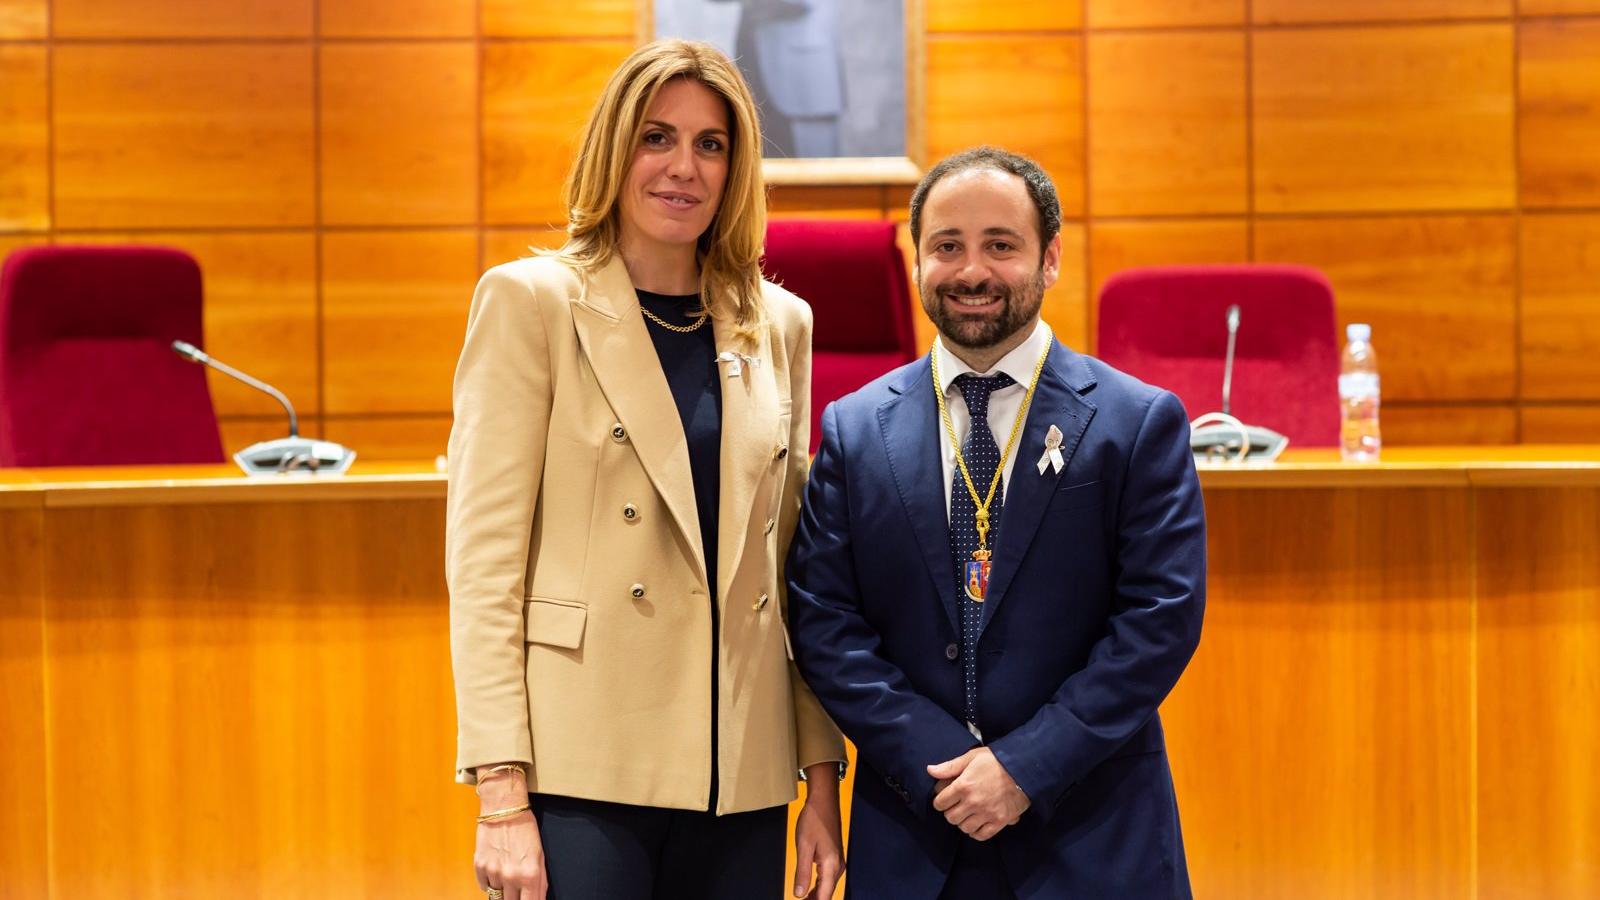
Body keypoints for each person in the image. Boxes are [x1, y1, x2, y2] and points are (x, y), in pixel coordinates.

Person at [446, 39, 845, 900]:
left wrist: (821, 773)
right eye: (657, 137)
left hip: (739, 766)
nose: (683, 168)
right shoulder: (531, 303)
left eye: (711, 144)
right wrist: (499, 792)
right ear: (615, 150)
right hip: (583, 762)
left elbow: (794, 573)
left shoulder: (779, 323)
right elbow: (484, 570)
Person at [786, 146, 1206, 899]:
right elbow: (823, 623)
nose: (971, 271)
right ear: (917, 264)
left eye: (1000, 246)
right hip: (918, 832)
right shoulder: (852, 431)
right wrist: (944, 765)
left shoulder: (1135, 423)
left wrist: (1022, 767)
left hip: (1091, 834)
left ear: (1049, 260)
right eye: (946, 246)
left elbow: (1159, 623)